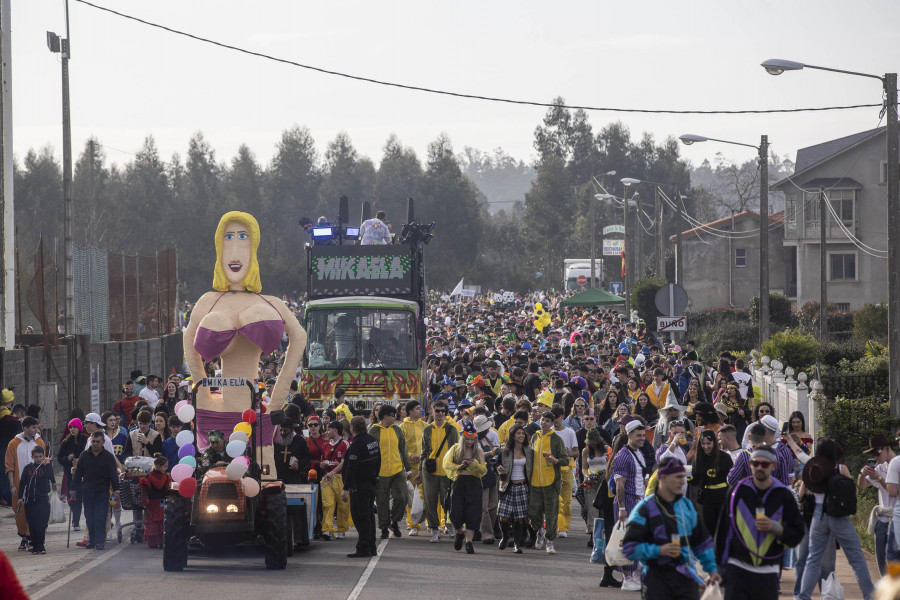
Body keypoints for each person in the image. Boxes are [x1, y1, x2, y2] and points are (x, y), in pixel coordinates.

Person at [184, 211, 307, 480]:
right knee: (210, 474)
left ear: (254, 246)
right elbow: (188, 338)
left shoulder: (271, 303)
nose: (236, 247)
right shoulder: (209, 302)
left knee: (263, 478)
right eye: (228, 236)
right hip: (214, 410)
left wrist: (277, 401)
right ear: (219, 245)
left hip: (255, 414)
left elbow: (299, 337)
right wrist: (200, 388)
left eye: (243, 236)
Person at [622, 456, 721, 599]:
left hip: (686, 580)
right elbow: (629, 548)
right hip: (656, 580)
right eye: (678, 477)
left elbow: (702, 542)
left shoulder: (687, 506)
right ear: (662, 477)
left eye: (684, 476)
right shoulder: (645, 509)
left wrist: (712, 569)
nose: (683, 481)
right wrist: (659, 550)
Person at [716, 445, 805, 600]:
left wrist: (776, 528)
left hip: (767, 573)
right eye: (755, 463)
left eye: (764, 464)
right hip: (738, 570)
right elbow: (723, 531)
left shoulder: (783, 495)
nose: (759, 468)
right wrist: (717, 568)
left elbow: (797, 533)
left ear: (774, 466)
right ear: (750, 464)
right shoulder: (737, 491)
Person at [796, 439, 875, 600]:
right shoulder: (840, 468)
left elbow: (801, 494)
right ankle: (870, 596)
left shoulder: (813, 467)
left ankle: (802, 596)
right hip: (839, 515)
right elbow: (854, 493)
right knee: (856, 558)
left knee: (813, 559)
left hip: (818, 515)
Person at [612, 419, 651, 591]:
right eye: (638, 436)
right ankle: (627, 577)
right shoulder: (623, 455)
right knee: (626, 540)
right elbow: (620, 484)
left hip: (638, 500)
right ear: (629, 436)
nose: (642, 438)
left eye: (643, 435)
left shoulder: (639, 452)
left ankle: (635, 575)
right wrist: (622, 508)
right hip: (627, 501)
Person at [442, 420, 487, 554]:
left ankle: (469, 542)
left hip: (473, 483)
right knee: (456, 512)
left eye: (472, 440)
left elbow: (483, 470)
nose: (469, 442)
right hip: (459, 482)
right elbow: (446, 463)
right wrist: (459, 467)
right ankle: (459, 532)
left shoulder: (478, 451)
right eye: (467, 439)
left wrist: (473, 465)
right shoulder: (456, 449)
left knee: (472, 513)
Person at [368, 404, 412, 539]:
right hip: (380, 473)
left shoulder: (397, 430)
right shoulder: (373, 431)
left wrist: (408, 469)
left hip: (398, 470)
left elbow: (403, 449)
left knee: (402, 497)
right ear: (385, 417)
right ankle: (384, 528)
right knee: (382, 502)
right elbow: (370, 453)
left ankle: (394, 520)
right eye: (393, 416)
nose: (395, 418)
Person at [528, 410, 569, 555]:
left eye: (547, 420)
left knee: (551, 513)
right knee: (533, 512)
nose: (543, 422)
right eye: (542, 420)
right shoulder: (534, 437)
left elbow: (566, 459)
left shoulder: (556, 439)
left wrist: (555, 460)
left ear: (552, 423)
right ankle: (540, 531)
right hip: (534, 482)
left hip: (551, 482)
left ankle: (550, 541)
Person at [71, 431, 121, 551]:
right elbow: (78, 473)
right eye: (93, 441)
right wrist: (73, 488)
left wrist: (116, 490)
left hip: (102, 492)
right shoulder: (84, 455)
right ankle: (92, 540)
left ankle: (100, 542)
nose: (95, 444)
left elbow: (113, 475)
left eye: (98, 442)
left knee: (100, 517)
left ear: (103, 442)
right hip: (87, 491)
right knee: (89, 517)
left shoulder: (108, 456)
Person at [5, 416, 46, 551]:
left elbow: (44, 463)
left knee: (35, 512)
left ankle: (31, 537)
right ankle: (23, 537)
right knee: (20, 511)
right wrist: (12, 485)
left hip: (36, 484)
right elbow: (9, 466)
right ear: (25, 428)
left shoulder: (39, 442)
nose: (36, 430)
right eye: (33, 427)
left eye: (36, 427)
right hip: (19, 483)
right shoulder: (14, 444)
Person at [421, 400, 459, 542]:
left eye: (443, 411)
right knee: (430, 501)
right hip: (429, 471)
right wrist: (420, 471)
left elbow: (456, 451)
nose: (440, 413)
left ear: (446, 412)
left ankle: (449, 524)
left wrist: (456, 470)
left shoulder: (451, 429)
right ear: (432, 412)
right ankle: (434, 529)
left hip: (446, 472)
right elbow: (423, 452)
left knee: (448, 501)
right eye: (437, 411)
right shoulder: (427, 429)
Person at [343, 416, 381, 558]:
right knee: (369, 516)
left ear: (352, 428)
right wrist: (375, 477)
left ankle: (364, 547)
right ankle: (370, 546)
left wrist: (346, 488)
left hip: (359, 486)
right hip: (370, 483)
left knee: (360, 517)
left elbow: (351, 467)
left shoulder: (357, 444)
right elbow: (379, 461)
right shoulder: (372, 441)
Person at [859, 434, 895, 577]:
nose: (875, 457)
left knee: (893, 560)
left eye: (876, 453)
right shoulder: (880, 468)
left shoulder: (897, 465)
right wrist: (863, 473)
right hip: (882, 518)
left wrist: (879, 479)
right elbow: (861, 486)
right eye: (872, 454)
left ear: (886, 448)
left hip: (896, 518)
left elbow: (894, 492)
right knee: (881, 561)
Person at [689, 429, 732, 538]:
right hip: (708, 499)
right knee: (709, 529)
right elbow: (695, 480)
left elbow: (731, 479)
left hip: (723, 498)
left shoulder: (725, 458)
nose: (706, 446)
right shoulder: (699, 458)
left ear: (714, 443)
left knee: (723, 529)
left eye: (709, 443)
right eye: (703, 443)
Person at [497, 424, 533, 553]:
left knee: (520, 517)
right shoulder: (505, 451)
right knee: (503, 516)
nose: (521, 436)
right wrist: (499, 469)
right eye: (518, 433)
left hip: (522, 486)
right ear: (513, 436)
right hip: (507, 486)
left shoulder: (528, 451)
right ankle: (505, 536)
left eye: (522, 433)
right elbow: (497, 463)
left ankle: (517, 543)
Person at [18, 445, 56, 555]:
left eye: (40, 456)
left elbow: (51, 477)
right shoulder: (28, 468)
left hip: (43, 500)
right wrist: (20, 497)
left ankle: (41, 545)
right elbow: (22, 483)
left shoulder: (45, 468)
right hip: (30, 501)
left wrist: (48, 464)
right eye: (36, 457)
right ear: (32, 457)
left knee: (42, 524)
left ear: (43, 456)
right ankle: (35, 545)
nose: (38, 459)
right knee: (33, 524)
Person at [319, 421, 350, 540]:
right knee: (328, 504)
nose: (327, 432)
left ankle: (341, 528)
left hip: (341, 478)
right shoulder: (325, 445)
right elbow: (323, 460)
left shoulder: (345, 444)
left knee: (343, 505)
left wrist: (333, 471)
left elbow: (344, 462)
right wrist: (324, 466)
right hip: (328, 478)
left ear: (335, 430)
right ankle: (327, 529)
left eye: (329, 429)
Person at [551, 405, 578, 539]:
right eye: (553, 417)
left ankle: (564, 527)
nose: (555, 420)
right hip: (551, 469)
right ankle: (553, 525)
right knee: (553, 499)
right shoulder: (548, 431)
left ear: (562, 417)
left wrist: (570, 453)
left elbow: (576, 451)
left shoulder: (570, 432)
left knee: (566, 500)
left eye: (557, 417)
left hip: (566, 469)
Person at [400, 399, 426, 536]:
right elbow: (400, 447)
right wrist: (410, 456)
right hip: (409, 467)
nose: (420, 410)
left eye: (419, 408)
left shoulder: (426, 426)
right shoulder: (402, 428)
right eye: (417, 408)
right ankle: (413, 525)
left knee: (424, 495)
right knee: (411, 498)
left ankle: (431, 523)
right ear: (410, 412)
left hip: (423, 467)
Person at [474, 414, 500, 544]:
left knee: (494, 505)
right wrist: (491, 453)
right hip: (481, 476)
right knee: (484, 507)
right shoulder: (473, 440)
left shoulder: (487, 439)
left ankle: (487, 529)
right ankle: (487, 533)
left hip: (491, 474)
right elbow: (475, 456)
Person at [58, 418, 88, 532]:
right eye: (70, 427)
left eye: (74, 427)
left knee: (82, 497)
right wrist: (67, 458)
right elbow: (59, 458)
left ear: (79, 428)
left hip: (84, 473)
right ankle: (75, 521)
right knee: (73, 498)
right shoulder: (66, 441)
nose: (72, 429)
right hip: (70, 474)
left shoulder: (86, 440)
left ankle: (84, 520)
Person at [138, 454, 171, 548]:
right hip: (161, 501)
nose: (166, 468)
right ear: (158, 466)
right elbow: (167, 491)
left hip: (151, 502)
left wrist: (144, 503)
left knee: (152, 521)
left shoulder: (148, 476)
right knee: (161, 521)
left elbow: (144, 491)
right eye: (164, 466)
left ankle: (152, 543)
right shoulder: (167, 477)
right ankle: (161, 542)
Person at [581, 427, 607, 543]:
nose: (592, 445)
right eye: (590, 443)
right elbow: (584, 468)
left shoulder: (606, 449)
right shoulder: (586, 451)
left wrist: (604, 474)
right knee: (592, 509)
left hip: (604, 482)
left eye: (594, 443)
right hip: (591, 482)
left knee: (602, 509)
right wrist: (587, 476)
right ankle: (593, 535)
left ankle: (601, 534)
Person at [273, 419, 309, 484]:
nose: (282, 433)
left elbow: (307, 457)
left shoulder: (300, 440)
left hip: (293, 477)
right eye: (281, 430)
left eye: (285, 430)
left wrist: (299, 464)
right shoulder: (277, 441)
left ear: (291, 430)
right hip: (278, 477)